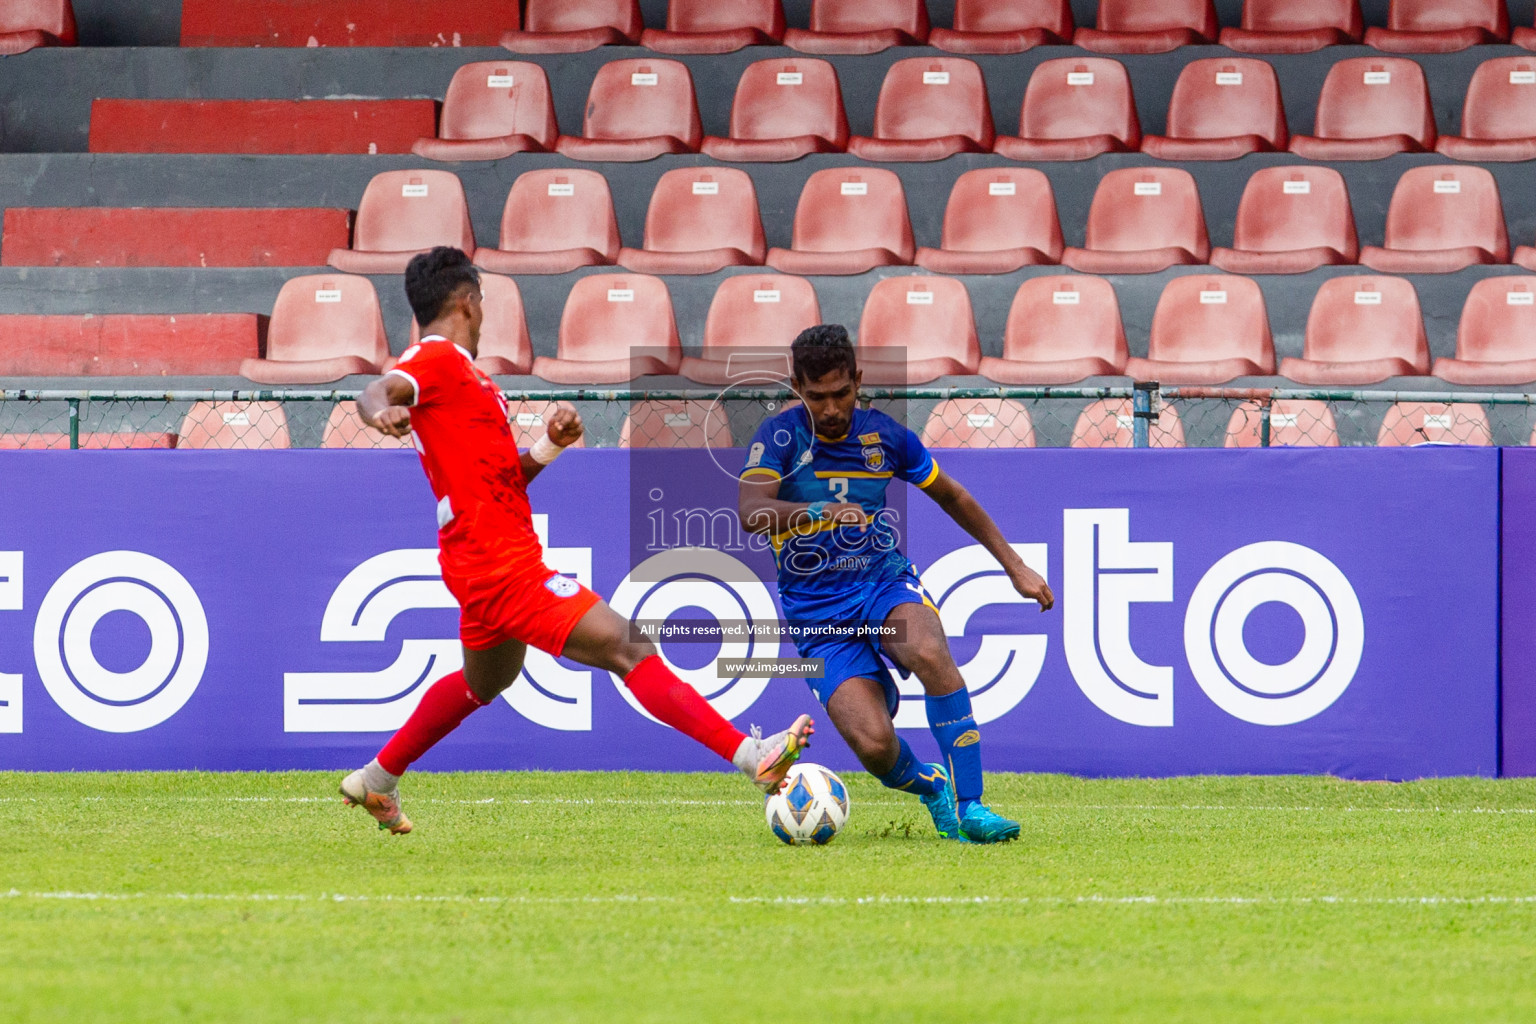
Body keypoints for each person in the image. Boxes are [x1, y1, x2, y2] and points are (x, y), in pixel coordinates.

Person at [339, 247, 813, 833]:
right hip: (497, 562)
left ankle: (376, 779)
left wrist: (548, 448)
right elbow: (375, 391)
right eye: (482, 302)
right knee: (628, 646)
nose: (484, 314)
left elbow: (497, 477)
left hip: (484, 554)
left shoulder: (466, 377)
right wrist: (378, 412)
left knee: (485, 681)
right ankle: (751, 757)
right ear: (468, 300)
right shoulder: (435, 361)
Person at [737, 325, 1054, 843]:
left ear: (858, 381)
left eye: (842, 393)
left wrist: (1013, 566)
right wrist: (821, 513)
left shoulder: (885, 436)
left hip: (882, 584)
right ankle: (932, 786)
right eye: (817, 397)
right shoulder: (778, 438)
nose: (832, 408)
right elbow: (751, 513)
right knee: (875, 748)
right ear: (797, 388)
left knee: (928, 652)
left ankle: (972, 805)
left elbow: (953, 496)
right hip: (816, 616)